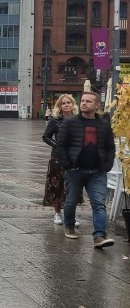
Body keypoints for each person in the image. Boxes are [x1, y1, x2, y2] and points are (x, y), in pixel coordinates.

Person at [54, 91, 116, 249]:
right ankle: (69, 225)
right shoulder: (70, 122)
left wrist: (107, 165)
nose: (84, 103)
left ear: (97, 105)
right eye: (82, 101)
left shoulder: (103, 123)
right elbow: (60, 146)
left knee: (99, 203)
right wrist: (68, 165)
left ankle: (99, 236)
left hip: (97, 171)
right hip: (75, 170)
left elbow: (110, 147)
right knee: (71, 201)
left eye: (88, 101)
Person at [42, 94, 80, 225]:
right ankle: (57, 213)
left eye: (69, 102)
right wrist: (57, 145)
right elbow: (46, 136)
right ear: (60, 106)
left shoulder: (78, 120)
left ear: (73, 104)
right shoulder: (55, 121)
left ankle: (71, 216)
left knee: (73, 186)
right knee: (57, 186)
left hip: (74, 157)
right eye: (63, 103)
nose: (66, 105)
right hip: (58, 158)